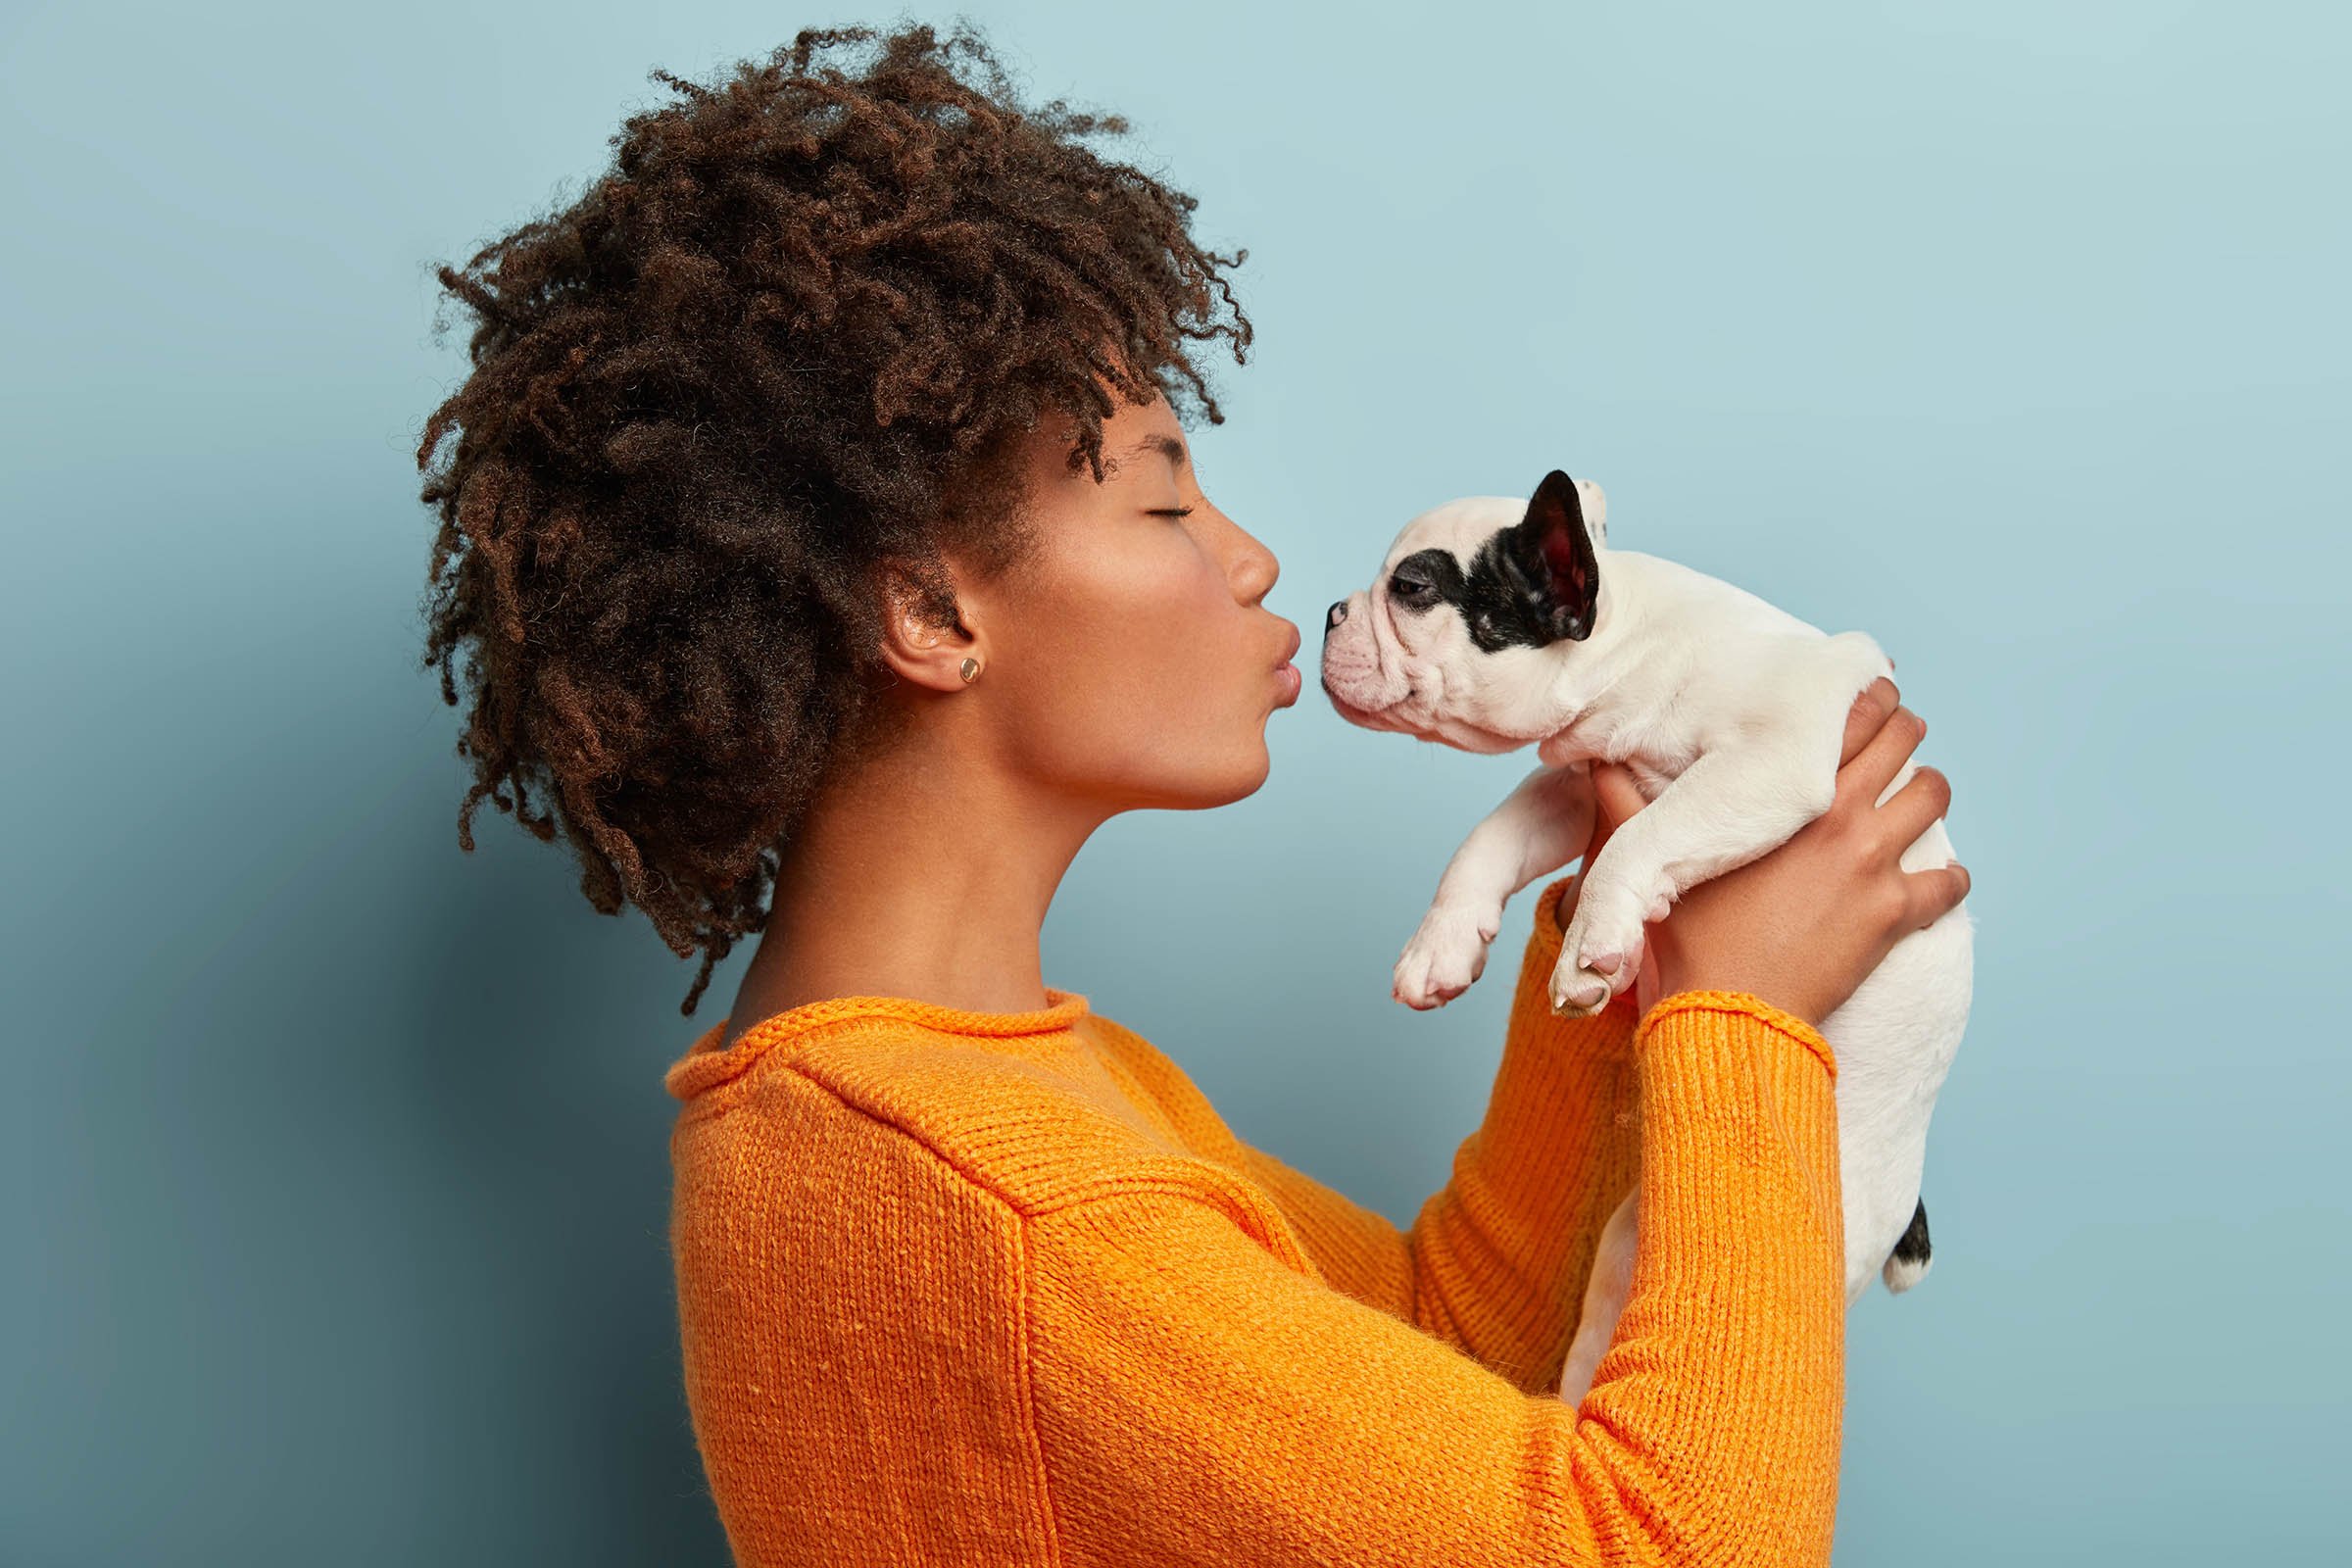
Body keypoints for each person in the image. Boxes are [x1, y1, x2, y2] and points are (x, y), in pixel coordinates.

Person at [415, 23, 1969, 1566]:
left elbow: (1447, 1356)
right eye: (1164, 497)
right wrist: (1741, 1028)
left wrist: (1636, 911)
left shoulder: (993, 1089)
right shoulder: (1007, 1205)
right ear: (933, 617)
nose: (1252, 560)